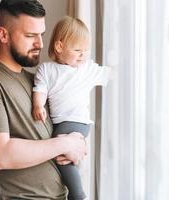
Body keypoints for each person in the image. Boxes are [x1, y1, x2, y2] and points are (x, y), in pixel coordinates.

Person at [0, 0, 87, 199]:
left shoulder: (37, 82)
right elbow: (0, 155)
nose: (40, 43)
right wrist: (66, 144)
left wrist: (79, 143)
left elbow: (64, 129)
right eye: (31, 35)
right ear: (3, 34)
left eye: (41, 34)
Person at [32, 16, 111, 200]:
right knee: (63, 155)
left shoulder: (86, 69)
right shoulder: (47, 70)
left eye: (85, 51)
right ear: (60, 47)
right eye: (77, 50)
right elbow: (40, 89)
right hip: (61, 122)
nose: (83, 55)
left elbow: (111, 74)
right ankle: (73, 191)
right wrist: (38, 105)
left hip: (79, 121)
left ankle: (78, 195)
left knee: (60, 155)